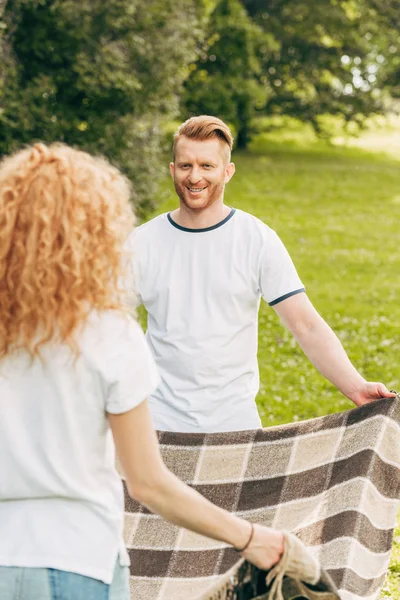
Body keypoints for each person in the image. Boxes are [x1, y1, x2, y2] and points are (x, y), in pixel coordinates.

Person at [0, 143, 285, 600]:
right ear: (95, 229)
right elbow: (148, 482)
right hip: (78, 562)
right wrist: (251, 537)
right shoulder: (109, 335)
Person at [126, 115, 395, 433]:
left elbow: (305, 325)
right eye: (185, 166)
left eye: (206, 166)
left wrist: (356, 387)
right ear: (173, 170)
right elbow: (103, 324)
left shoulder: (256, 238)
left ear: (227, 172)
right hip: (158, 422)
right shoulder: (142, 242)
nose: (194, 176)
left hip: (234, 423)